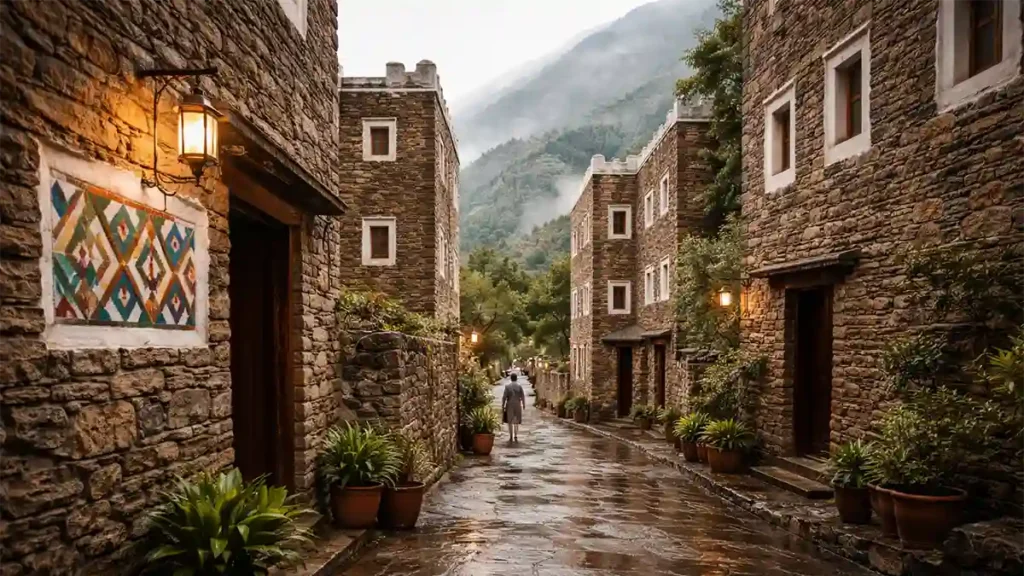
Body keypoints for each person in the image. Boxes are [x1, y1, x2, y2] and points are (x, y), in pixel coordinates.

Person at [501, 372, 526, 442]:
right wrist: (523, 404)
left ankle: (511, 435)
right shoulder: (519, 386)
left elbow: (504, 397)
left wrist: (503, 405)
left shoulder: (507, 386)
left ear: (511, 378)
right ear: (516, 378)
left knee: (510, 420)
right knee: (517, 420)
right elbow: (522, 396)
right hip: (518, 404)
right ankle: (516, 434)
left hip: (510, 404)